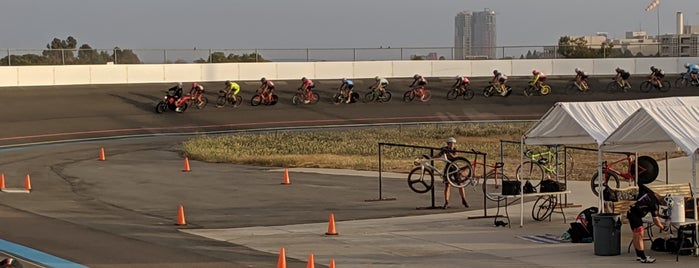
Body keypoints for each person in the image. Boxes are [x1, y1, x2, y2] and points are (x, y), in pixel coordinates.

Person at [626, 183, 665, 263]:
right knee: (640, 233)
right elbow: (656, 221)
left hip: (631, 211)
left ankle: (639, 255)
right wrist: (663, 227)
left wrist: (663, 217)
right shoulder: (654, 204)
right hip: (635, 214)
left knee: (636, 234)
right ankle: (643, 258)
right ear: (662, 202)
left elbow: (641, 185)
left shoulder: (651, 193)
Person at [436, 137, 469, 209]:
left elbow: (455, 157)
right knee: (447, 185)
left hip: (454, 166)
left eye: (453, 144)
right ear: (447, 144)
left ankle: (464, 199)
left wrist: (448, 153)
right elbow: (438, 155)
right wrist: (431, 158)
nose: (452, 145)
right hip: (448, 168)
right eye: (450, 144)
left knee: (460, 184)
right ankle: (446, 202)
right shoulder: (444, 149)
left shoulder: (455, 150)